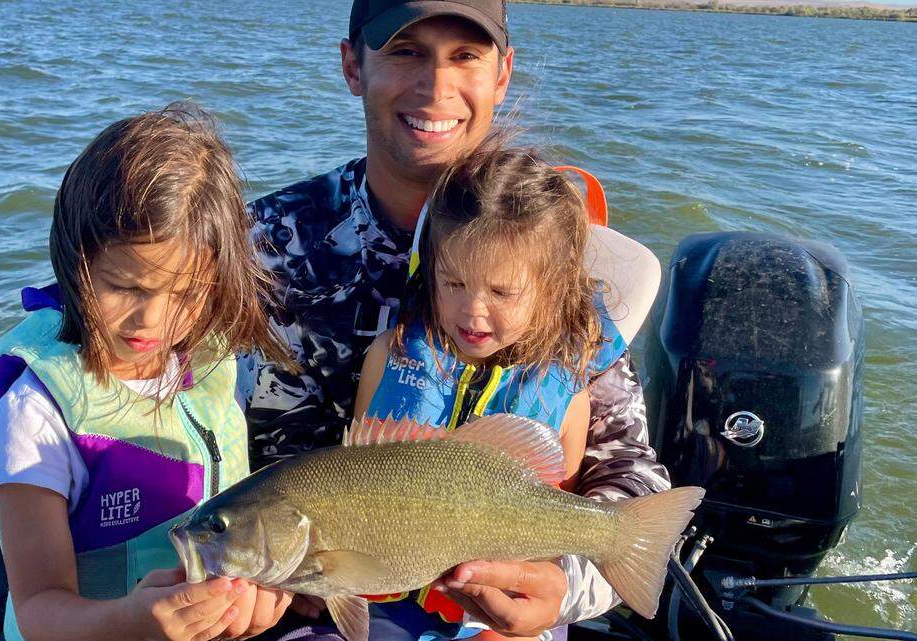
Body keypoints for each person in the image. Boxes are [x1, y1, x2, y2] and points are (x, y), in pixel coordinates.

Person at [243, 1, 670, 640]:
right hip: (306, 594)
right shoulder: (268, 247)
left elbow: (629, 472)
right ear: (352, 65)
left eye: (465, 56)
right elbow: (218, 443)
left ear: (502, 75)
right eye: (406, 52)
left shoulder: (550, 262)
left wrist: (562, 589)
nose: (437, 87)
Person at [0, 104, 294, 641]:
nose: (152, 319)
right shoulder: (38, 410)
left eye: (187, 294)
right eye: (124, 286)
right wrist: (132, 622)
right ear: (75, 261)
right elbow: (38, 609)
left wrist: (262, 599)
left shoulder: (213, 365)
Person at [351, 139, 618, 641]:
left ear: (552, 289)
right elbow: (357, 472)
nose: (473, 311)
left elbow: (556, 504)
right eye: (453, 283)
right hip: (388, 594)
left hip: (506, 611)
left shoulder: (568, 392)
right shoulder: (391, 355)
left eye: (501, 292)